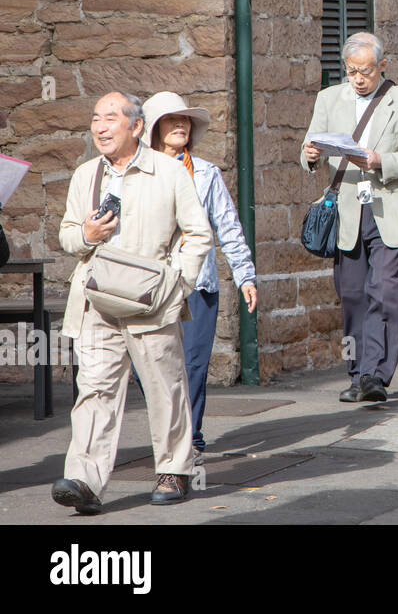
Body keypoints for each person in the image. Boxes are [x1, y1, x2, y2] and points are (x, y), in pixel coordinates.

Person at [51, 92, 212, 514]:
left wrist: (176, 285)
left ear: (136, 127)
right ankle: (84, 479)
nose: (100, 127)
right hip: (96, 300)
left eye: (110, 118)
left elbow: (198, 235)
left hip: (151, 301)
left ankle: (174, 470)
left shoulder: (170, 173)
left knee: (165, 388)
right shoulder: (86, 175)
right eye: (95, 119)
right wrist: (86, 233)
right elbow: (67, 236)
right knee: (95, 389)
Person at [301, 32, 398, 403]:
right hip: (346, 210)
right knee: (352, 296)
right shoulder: (328, 99)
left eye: (366, 71)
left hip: (388, 207)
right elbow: (309, 146)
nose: (358, 79)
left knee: (386, 293)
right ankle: (355, 373)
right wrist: (310, 155)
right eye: (352, 71)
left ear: (382, 67)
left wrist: (382, 161)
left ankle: (376, 374)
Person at [142, 92, 257, 464]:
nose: (180, 125)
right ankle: (171, 431)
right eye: (171, 119)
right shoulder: (137, 172)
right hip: (151, 285)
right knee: (156, 365)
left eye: (185, 120)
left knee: (193, 364)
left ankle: (190, 437)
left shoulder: (206, 173)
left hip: (198, 284)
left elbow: (228, 227)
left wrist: (245, 276)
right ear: (154, 128)